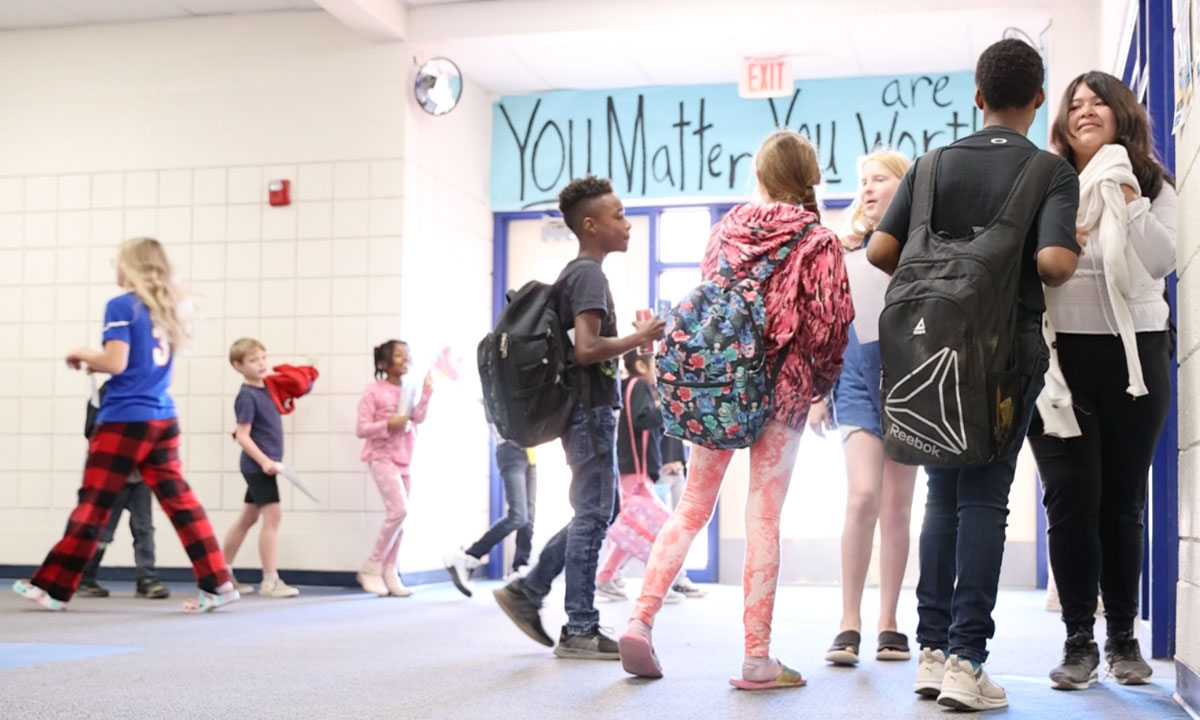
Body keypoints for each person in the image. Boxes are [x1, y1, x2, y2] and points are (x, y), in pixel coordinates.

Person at [867, 39, 1081, 710]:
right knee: (987, 497)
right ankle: (966, 659)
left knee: (942, 497)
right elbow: (1052, 263)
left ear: (978, 96)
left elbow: (880, 250)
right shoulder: (1050, 170)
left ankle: (931, 654)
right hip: (1002, 356)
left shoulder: (928, 166)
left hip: (930, 351)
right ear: (1039, 98)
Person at [619, 130, 854, 688]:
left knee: (692, 507)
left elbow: (710, 305)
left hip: (720, 388)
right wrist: (818, 385)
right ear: (809, 176)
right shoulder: (819, 240)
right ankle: (756, 658)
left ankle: (640, 618)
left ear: (761, 174)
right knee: (763, 517)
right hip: (784, 389)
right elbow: (829, 325)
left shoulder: (725, 229)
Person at [1030, 70, 1176, 690]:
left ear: (1121, 113)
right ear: (1062, 121)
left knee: (1121, 503)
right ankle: (1077, 642)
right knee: (1069, 499)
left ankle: (1122, 638)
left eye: (1097, 102)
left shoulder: (1151, 182)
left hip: (1134, 358)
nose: (1085, 111)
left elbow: (1159, 263)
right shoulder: (1043, 182)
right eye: (1075, 104)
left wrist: (1124, 191)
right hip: (1058, 361)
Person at [13, 237, 237, 613]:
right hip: (162, 416)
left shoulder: (121, 306)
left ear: (132, 266)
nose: (115, 269)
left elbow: (115, 363)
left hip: (124, 420)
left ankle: (53, 586)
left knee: (93, 504)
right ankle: (219, 582)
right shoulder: (166, 310)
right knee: (181, 503)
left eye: (118, 262)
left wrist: (83, 353)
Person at [492, 175, 666, 660]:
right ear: (590, 226)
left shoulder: (579, 274)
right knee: (593, 513)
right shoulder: (588, 275)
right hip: (589, 412)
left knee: (600, 511)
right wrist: (641, 336)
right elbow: (588, 350)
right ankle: (581, 629)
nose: (627, 224)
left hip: (587, 410)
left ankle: (530, 589)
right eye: (618, 216)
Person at [808, 150, 917, 666]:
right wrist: (815, 393)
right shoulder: (843, 248)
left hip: (911, 385)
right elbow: (827, 324)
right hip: (855, 382)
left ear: (907, 184)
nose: (868, 188)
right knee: (862, 497)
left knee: (897, 505)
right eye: (863, 181)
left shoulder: (923, 247)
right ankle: (848, 619)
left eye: (880, 179)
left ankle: (888, 622)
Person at [595, 350, 703, 603]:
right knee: (662, 526)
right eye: (655, 364)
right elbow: (643, 419)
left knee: (631, 526)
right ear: (641, 365)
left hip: (633, 471)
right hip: (637, 473)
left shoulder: (628, 386)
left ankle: (605, 577)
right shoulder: (639, 386)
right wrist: (670, 409)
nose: (659, 370)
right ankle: (657, 584)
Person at [221, 338, 301, 599]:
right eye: (254, 361)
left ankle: (220, 574)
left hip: (263, 466)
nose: (261, 364)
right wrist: (265, 461)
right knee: (273, 518)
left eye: (263, 358)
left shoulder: (267, 389)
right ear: (238, 366)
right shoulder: (246, 396)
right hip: (258, 467)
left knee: (248, 518)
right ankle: (270, 580)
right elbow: (242, 435)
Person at [75, 381, 169, 600]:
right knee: (102, 531)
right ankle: (85, 578)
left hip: (140, 477)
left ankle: (147, 580)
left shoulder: (149, 392)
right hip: (111, 476)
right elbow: (91, 431)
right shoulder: (106, 393)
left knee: (144, 528)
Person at [355, 339, 434, 598]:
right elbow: (361, 428)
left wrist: (426, 393)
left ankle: (390, 570)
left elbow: (418, 418)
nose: (406, 359)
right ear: (385, 363)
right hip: (381, 456)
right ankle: (372, 565)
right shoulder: (373, 391)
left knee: (402, 516)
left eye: (407, 355)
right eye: (399, 356)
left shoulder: (409, 389)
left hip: (404, 457)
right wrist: (389, 423)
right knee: (398, 510)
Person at [444, 427, 537, 597]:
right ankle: (469, 556)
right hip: (511, 448)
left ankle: (520, 569)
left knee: (528, 517)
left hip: (529, 453)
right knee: (518, 516)